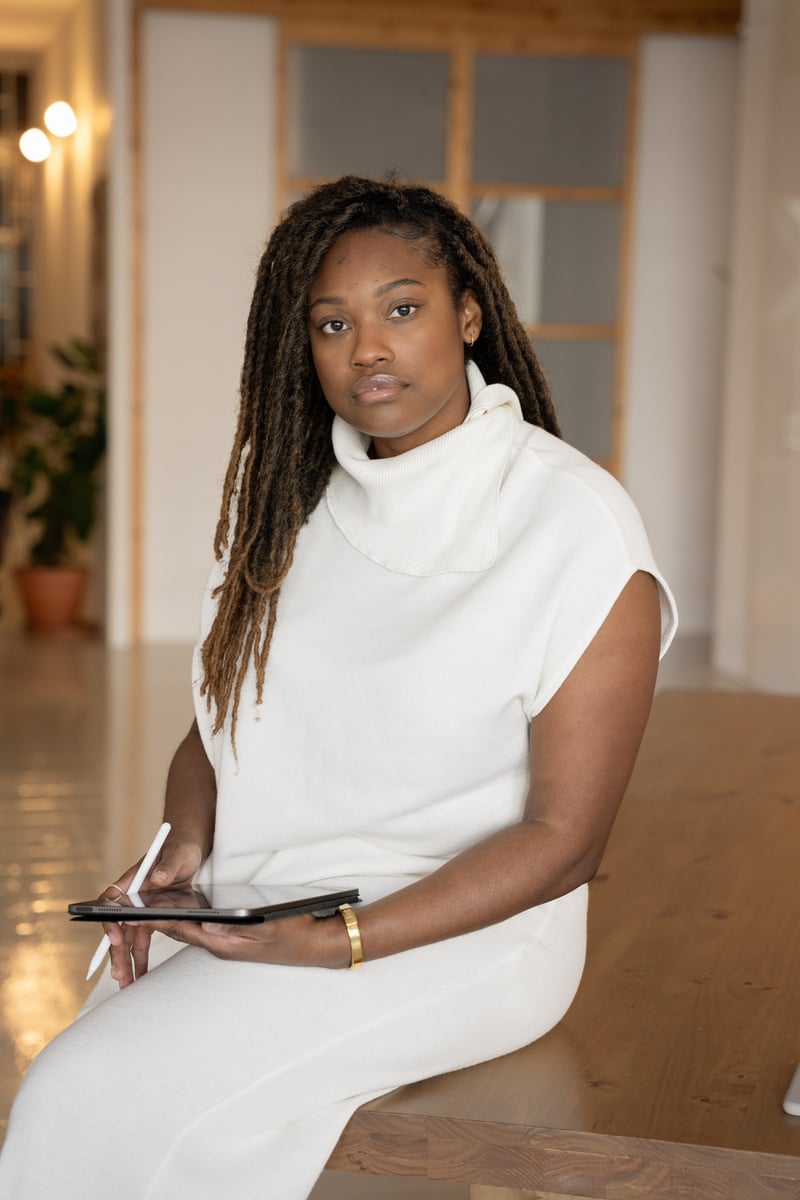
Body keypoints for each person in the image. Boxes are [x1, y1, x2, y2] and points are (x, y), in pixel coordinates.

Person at [0, 175, 677, 1199]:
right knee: (96, 1077)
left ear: (467, 314)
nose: (367, 348)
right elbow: (221, 726)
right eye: (331, 322)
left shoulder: (572, 526)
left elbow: (564, 841)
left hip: (465, 937)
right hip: (275, 898)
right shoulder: (285, 509)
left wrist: (337, 942)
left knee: (83, 1096)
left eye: (400, 309)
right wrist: (182, 851)